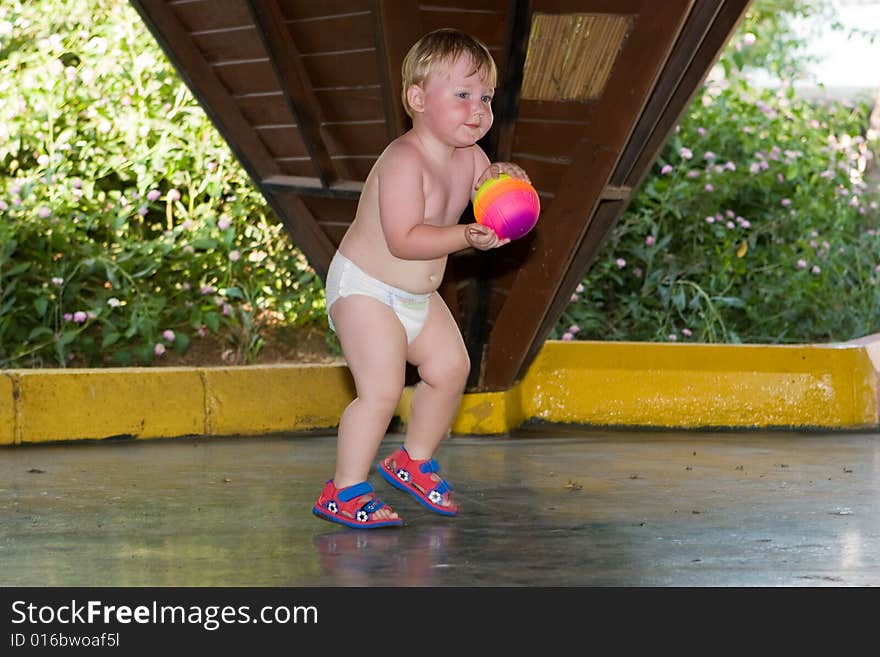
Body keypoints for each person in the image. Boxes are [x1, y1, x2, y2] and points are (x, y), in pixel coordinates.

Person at [312, 28, 531, 528]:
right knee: (382, 390)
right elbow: (404, 240)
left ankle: (412, 459)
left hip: (416, 292)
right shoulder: (402, 161)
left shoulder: (472, 158)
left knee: (452, 369)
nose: (477, 109)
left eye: (485, 97)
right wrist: (466, 237)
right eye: (462, 95)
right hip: (366, 287)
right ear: (417, 99)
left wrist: (506, 185)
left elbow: (489, 194)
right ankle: (343, 489)